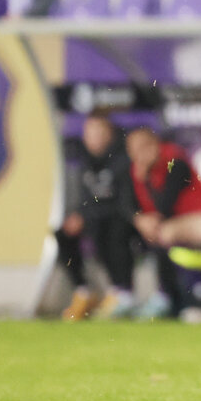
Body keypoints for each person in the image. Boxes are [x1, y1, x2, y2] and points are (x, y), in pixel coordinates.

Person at [57, 114, 149, 320]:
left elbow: (125, 200)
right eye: (89, 133)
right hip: (94, 217)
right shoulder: (84, 160)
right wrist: (79, 214)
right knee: (63, 233)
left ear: (110, 134)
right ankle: (83, 291)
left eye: (99, 133)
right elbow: (86, 197)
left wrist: (88, 215)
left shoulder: (123, 160)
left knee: (114, 229)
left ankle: (123, 291)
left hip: (123, 217)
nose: (94, 138)